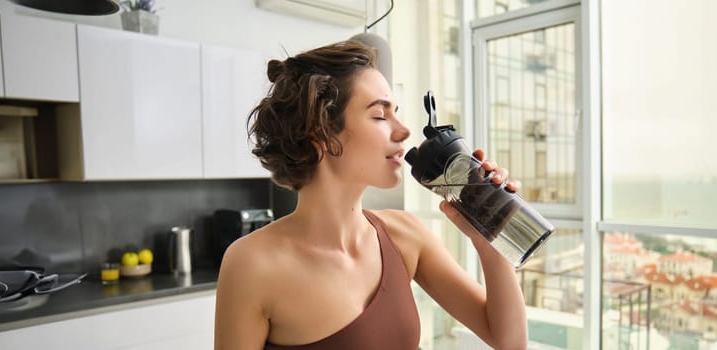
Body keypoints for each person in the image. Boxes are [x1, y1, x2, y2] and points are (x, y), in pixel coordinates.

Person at [214, 40, 527, 350]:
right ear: (319, 133)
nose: (404, 130)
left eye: (397, 113)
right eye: (380, 115)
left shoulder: (405, 236)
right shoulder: (252, 265)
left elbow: (509, 342)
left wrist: (490, 242)